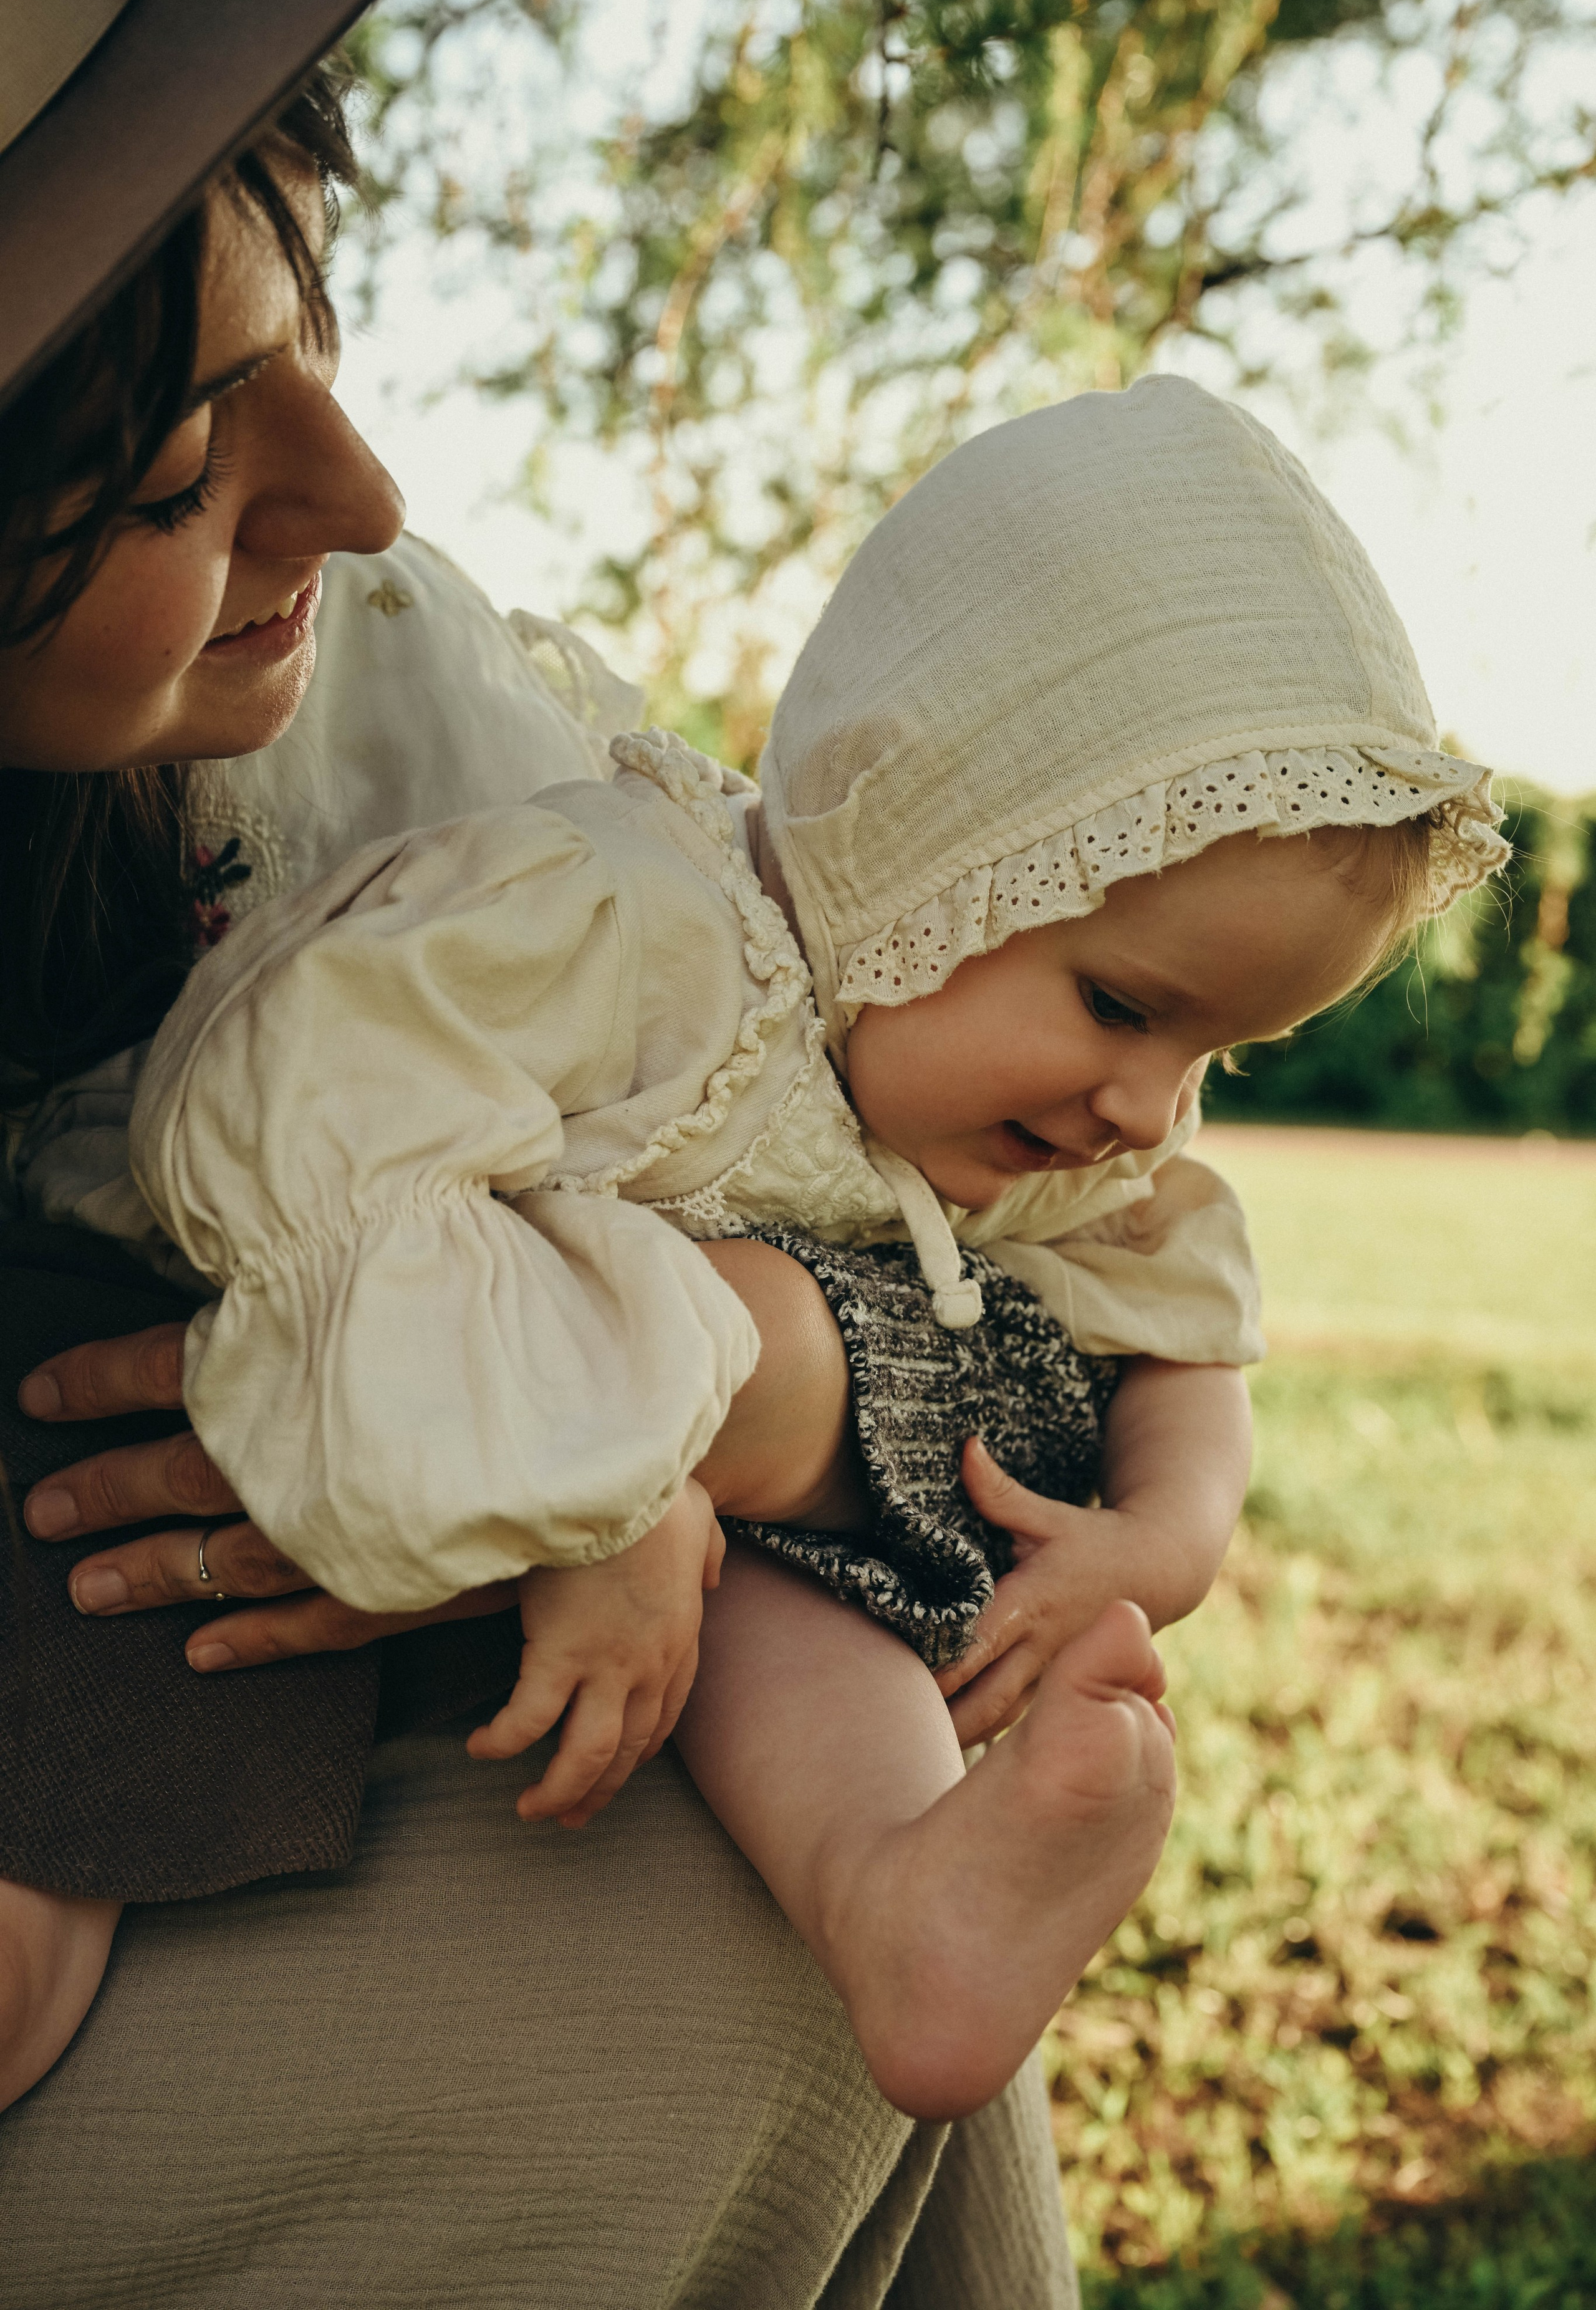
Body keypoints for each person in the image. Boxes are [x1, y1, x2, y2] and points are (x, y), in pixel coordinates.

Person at [14, 377, 1510, 2115]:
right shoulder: (620, 918)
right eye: (1122, 1006)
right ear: (925, 831)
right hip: (161, 1398)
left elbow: (1182, 1316)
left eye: (1217, 1056)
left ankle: (904, 1904)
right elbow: (295, 1112)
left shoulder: (1044, 1114)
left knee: (806, 1618)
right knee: (73, 1781)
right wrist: (601, 1471)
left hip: (655, 1539)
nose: (1147, 1108)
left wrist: (1163, 1533)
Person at [0, 0, 1081, 2303]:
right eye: (184, 471)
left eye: (313, 343)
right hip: (101, 1665)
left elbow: (1012, 1379)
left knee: (825, 1928)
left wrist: (678, 1407)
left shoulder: (402, 732)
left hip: (362, 1648)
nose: (365, 500)